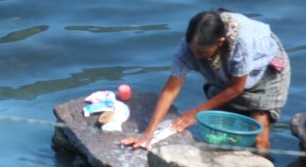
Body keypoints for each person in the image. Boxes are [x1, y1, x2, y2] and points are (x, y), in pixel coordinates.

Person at [121, 9, 289, 151]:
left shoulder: (241, 44)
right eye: (193, 51)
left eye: (202, 53)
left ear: (220, 42)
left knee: (259, 137)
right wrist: (148, 133)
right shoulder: (186, 49)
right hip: (226, 74)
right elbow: (170, 90)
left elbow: (237, 88)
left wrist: (196, 112)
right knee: (221, 134)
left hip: (264, 73)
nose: (196, 56)